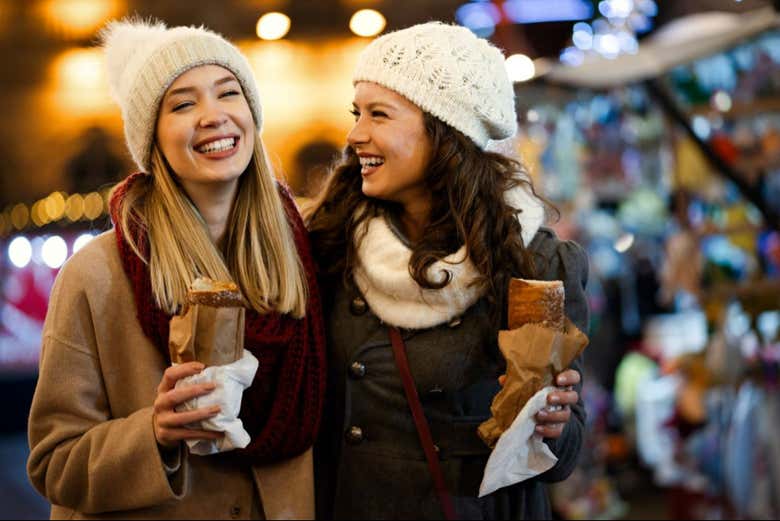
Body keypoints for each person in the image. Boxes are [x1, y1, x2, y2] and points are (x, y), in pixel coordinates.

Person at [27, 19, 326, 519]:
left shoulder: (306, 258)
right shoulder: (95, 276)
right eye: (184, 104)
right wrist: (153, 435)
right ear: (152, 140)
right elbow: (54, 463)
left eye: (228, 94)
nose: (213, 116)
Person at [306, 22, 589, 520]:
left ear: (444, 131)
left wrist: (552, 422)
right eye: (357, 113)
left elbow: (558, 460)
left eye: (379, 115)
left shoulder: (531, 260)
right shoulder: (332, 243)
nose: (355, 135)